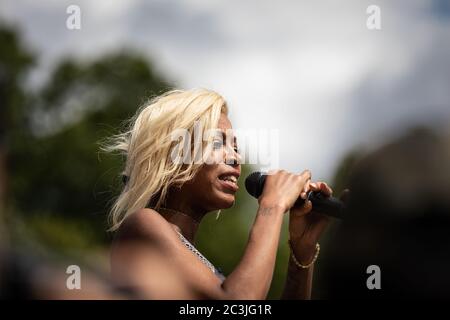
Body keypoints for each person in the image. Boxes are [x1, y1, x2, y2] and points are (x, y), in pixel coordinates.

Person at [104, 88, 334, 299]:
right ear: (171, 157)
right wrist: (272, 206)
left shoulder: (201, 266)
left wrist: (301, 252)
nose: (236, 158)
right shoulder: (142, 224)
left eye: (235, 147)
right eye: (216, 143)